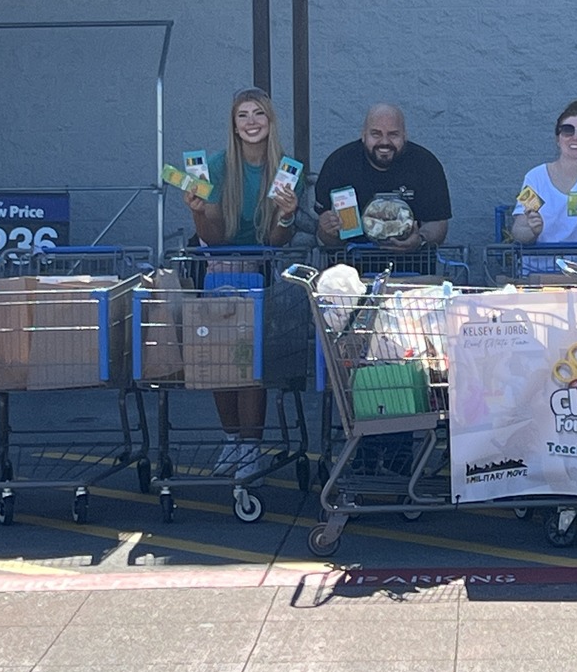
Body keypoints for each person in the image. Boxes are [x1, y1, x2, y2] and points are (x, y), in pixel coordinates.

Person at [184, 87, 301, 474]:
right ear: (234, 126)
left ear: (270, 121)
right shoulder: (215, 167)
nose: (251, 122)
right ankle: (231, 440)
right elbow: (214, 239)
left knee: (246, 362)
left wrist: (286, 215)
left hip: (261, 270)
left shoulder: (287, 168)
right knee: (221, 361)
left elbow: (275, 241)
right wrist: (199, 213)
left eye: (258, 114)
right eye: (242, 116)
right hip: (220, 266)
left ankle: (250, 446)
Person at [311, 103, 452, 251]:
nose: (384, 142)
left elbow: (438, 223)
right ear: (363, 135)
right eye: (376, 134)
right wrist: (327, 231)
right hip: (351, 267)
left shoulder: (426, 164)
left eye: (393, 134)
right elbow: (324, 236)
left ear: (405, 136)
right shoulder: (338, 164)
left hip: (412, 267)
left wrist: (420, 240)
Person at [510, 99, 577, 247]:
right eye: (567, 130)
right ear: (557, 138)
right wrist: (532, 231)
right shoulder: (536, 177)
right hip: (539, 265)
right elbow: (518, 230)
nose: (575, 137)